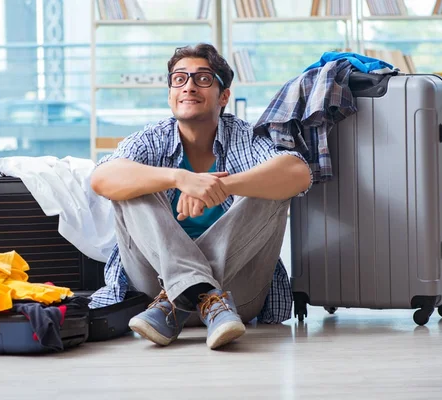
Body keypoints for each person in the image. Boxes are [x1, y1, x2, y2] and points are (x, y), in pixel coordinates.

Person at [90, 43, 312, 350]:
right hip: (156, 294)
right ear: (170, 95)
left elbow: (298, 173)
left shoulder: (244, 137)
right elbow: (102, 178)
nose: (189, 87)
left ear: (224, 96)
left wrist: (222, 186)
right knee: (133, 185)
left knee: (269, 185)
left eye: (203, 79)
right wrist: (180, 178)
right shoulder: (152, 139)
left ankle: (191, 294)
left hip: (235, 298)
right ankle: (199, 292)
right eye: (179, 79)